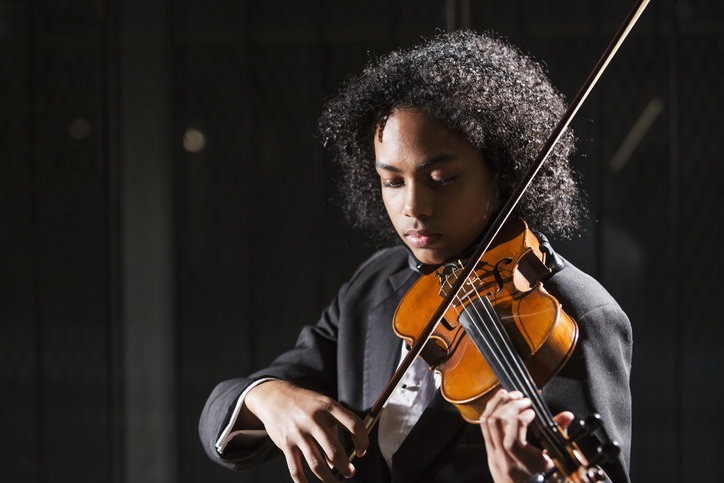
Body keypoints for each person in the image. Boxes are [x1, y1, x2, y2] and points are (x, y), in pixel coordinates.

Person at [199, 30, 632, 483]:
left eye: (441, 178)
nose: (413, 208)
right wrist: (268, 397)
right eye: (393, 181)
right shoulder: (374, 285)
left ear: (503, 170)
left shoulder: (577, 315)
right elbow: (222, 414)